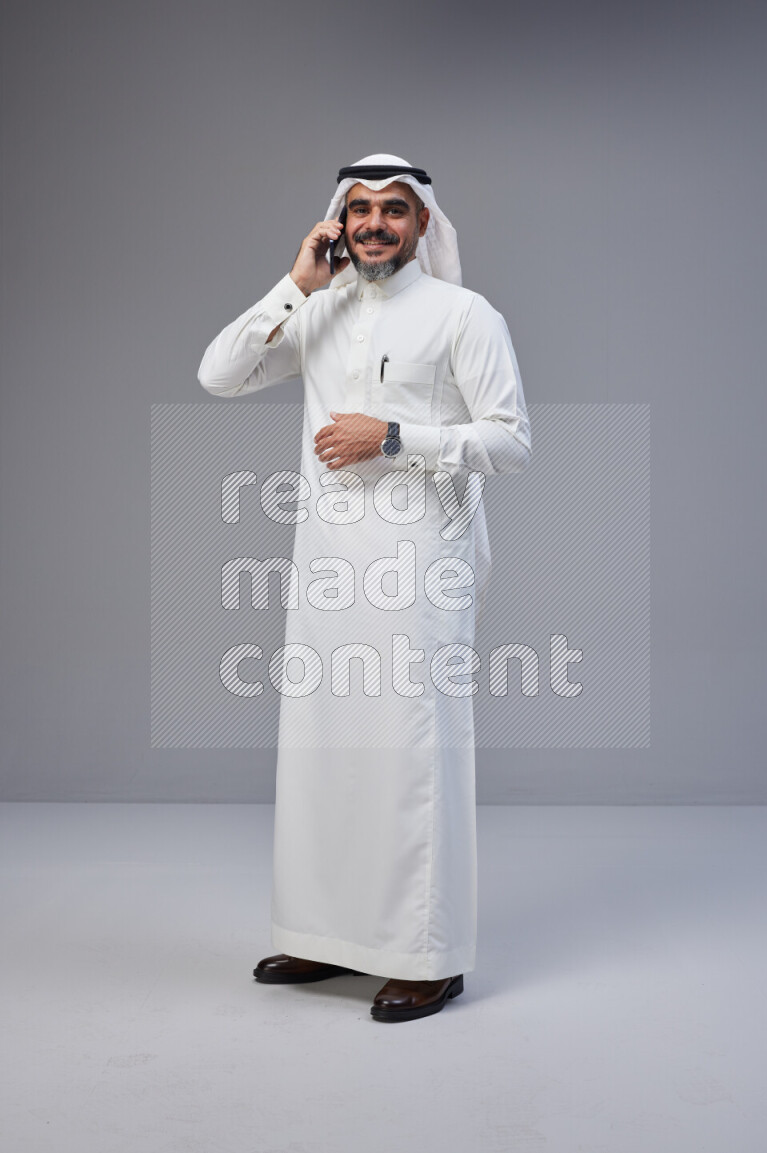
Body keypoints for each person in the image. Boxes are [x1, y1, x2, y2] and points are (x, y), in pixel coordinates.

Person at [198, 153, 531, 1023]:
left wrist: (391, 435)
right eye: (359, 209)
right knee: (324, 748)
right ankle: (326, 935)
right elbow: (218, 375)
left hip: (420, 567)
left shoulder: (464, 313)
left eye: (393, 209)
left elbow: (510, 441)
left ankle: (428, 955)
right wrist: (295, 284)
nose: (375, 223)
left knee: (412, 754)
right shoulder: (319, 308)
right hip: (327, 566)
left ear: (422, 223)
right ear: (338, 223)